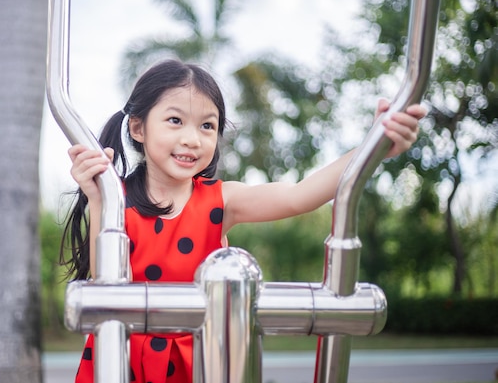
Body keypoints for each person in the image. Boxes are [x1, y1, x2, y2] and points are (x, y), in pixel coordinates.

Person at [60, 59, 426, 383]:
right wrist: (97, 197)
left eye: (207, 126)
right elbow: (103, 285)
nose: (192, 139)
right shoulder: (114, 199)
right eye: (175, 121)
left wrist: (374, 147)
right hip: (124, 361)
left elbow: (300, 194)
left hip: (202, 363)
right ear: (138, 129)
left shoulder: (222, 199)